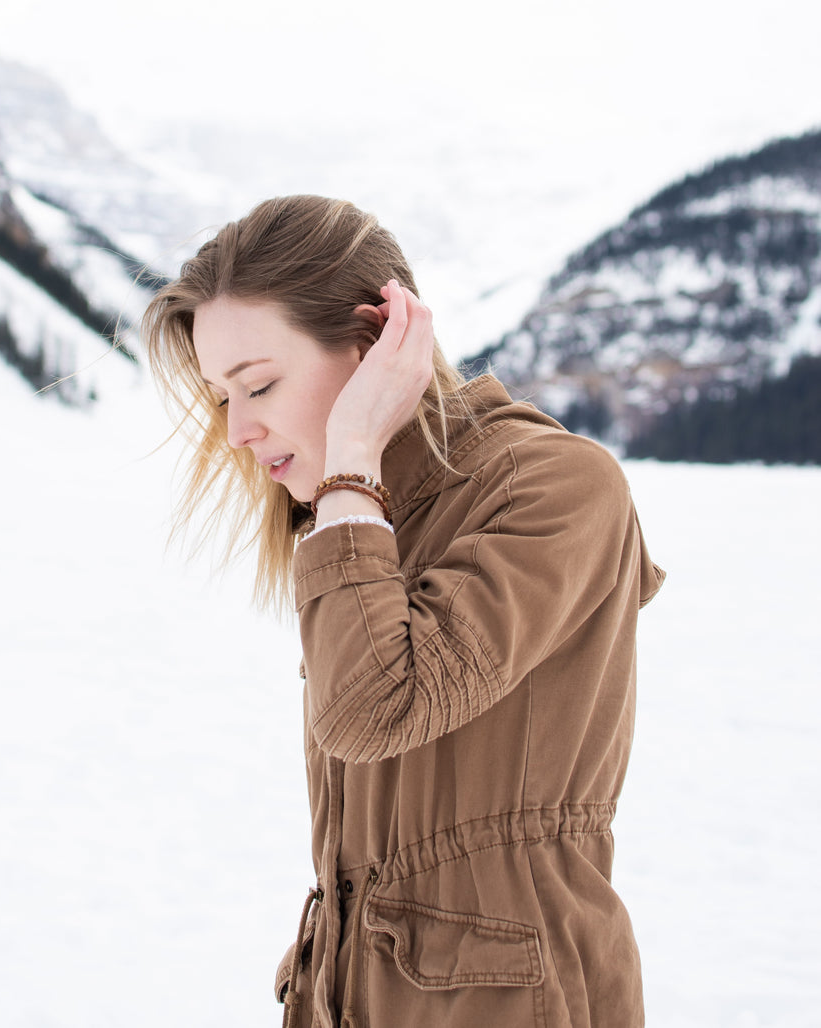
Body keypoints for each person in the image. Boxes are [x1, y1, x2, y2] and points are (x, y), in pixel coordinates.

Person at [141, 195, 665, 1028]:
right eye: (221, 398)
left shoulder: (557, 486)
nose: (238, 429)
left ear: (375, 343)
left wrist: (351, 461)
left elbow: (372, 710)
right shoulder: (366, 523)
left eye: (261, 385)